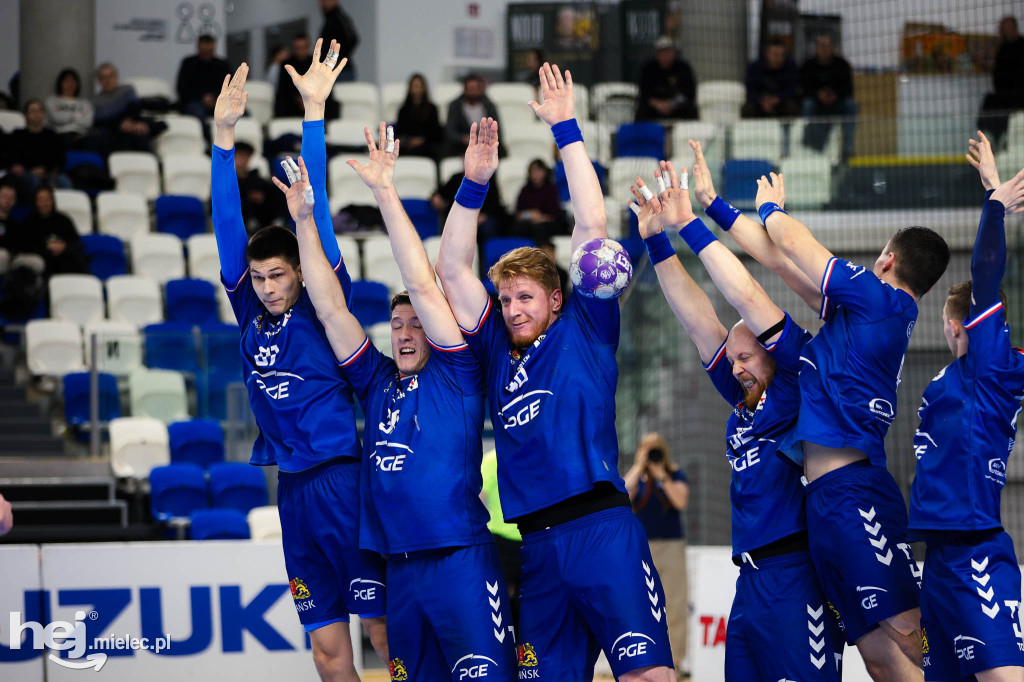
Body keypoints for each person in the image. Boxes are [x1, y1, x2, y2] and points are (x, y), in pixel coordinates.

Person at [435, 62, 675, 682]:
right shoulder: (492, 345)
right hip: (535, 548)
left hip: (601, 529)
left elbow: (591, 226)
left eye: (526, 298)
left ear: (555, 300)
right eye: (507, 299)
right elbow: (453, 270)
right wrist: (474, 182)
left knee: (648, 676)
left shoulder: (588, 327)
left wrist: (566, 128)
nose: (514, 309)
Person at [279, 121, 517, 682]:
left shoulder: (458, 367)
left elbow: (425, 280)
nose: (406, 333)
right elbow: (332, 308)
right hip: (401, 570)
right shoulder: (375, 379)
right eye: (397, 324)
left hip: (461, 557)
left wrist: (385, 193)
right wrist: (304, 223)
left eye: (415, 323)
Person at [630, 147, 844, 681]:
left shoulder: (796, 384)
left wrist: (693, 222)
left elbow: (745, 294)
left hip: (796, 573)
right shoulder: (747, 399)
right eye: (734, 359)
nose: (737, 366)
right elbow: (701, 320)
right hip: (748, 579)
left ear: (773, 353)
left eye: (747, 356)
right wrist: (657, 241)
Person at [210, 51, 387, 682]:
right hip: (293, 491)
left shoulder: (317, 298)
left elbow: (311, 212)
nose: (264, 286)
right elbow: (227, 225)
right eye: (256, 278)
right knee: (326, 650)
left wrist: (313, 111)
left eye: (276, 275)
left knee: (382, 628)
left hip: (344, 479)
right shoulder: (249, 306)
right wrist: (224, 138)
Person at [752, 169, 949, 679]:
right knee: (874, 648)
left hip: (853, 492)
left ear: (887, 260)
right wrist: (711, 209)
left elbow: (793, 241)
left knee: (908, 634)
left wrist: (771, 207)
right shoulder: (864, 315)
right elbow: (779, 260)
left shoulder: (879, 298)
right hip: (825, 498)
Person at [909, 131, 1024, 682]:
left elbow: (985, 274)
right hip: (937, 558)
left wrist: (994, 202)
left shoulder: (991, 362)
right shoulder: (946, 379)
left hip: (977, 549)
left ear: (955, 324)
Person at [624, 434, 692, 677]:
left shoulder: (674, 474)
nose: (651, 454)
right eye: (647, 450)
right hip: (642, 547)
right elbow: (622, 495)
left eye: (655, 450)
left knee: (674, 603)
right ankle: (645, 658)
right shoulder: (638, 477)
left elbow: (681, 501)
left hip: (671, 546)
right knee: (641, 603)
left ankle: (675, 660)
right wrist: (638, 466)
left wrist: (661, 475)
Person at [480, 448, 523, 632]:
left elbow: (479, 495)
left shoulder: (491, 459)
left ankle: (506, 636)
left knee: (503, 590)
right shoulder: (529, 453)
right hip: (528, 532)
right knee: (527, 590)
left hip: (501, 534)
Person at [800, 35, 857, 158]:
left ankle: (848, 148)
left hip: (837, 104)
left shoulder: (842, 64)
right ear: (816, 48)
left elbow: (848, 89)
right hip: (817, 105)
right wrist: (818, 95)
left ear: (832, 48)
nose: (824, 49)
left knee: (851, 104)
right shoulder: (808, 65)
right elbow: (803, 90)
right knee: (807, 104)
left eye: (827, 45)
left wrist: (834, 96)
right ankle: (807, 140)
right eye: (821, 45)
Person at [14, 185, 88, 276]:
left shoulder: (64, 220)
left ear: (53, 201)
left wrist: (64, 246)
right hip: (43, 261)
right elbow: (26, 248)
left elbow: (76, 242)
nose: (45, 203)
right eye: (41, 200)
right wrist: (48, 248)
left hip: (65, 258)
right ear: (35, 202)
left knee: (77, 259)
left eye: (48, 199)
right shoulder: (28, 223)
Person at [92, 63, 161, 153]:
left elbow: (136, 107)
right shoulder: (95, 100)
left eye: (110, 76)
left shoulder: (127, 90)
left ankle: (150, 164)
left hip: (133, 125)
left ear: (116, 77)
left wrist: (131, 122)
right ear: (99, 81)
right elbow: (99, 120)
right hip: (112, 132)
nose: (107, 80)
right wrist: (120, 124)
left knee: (142, 131)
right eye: (103, 77)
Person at [977, 16, 1024, 146]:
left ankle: (1004, 139)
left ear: (1013, 28)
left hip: (1017, 95)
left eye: (1005, 28)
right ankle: (995, 139)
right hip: (1002, 94)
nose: (1002, 31)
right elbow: (997, 66)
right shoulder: (1003, 46)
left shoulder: (1021, 45)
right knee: (988, 104)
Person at [6, 99, 66, 193]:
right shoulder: (17, 135)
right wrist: (31, 170)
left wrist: (45, 170)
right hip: (25, 173)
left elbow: (60, 158)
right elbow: (12, 157)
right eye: (33, 111)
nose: (37, 114)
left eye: (40, 111)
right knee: (34, 180)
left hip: (48, 173)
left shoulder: (52, 135)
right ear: (26, 115)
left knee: (64, 181)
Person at [636, 36, 698, 121]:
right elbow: (644, 93)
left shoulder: (683, 68)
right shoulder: (648, 69)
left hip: (677, 107)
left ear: (673, 52)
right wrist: (657, 104)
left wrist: (671, 103)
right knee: (642, 110)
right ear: (656, 54)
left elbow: (689, 92)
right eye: (661, 52)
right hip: (655, 108)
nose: (665, 54)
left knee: (691, 110)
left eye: (668, 51)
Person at [443, 74, 500, 157]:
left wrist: (484, 139)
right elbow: (450, 131)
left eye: (475, 88)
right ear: (464, 90)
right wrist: (463, 138)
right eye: (470, 89)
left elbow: (497, 129)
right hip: (461, 145)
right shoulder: (455, 106)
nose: (472, 92)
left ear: (480, 90)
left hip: (485, 144)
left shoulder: (489, 106)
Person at [176, 34, 230, 120]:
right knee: (199, 114)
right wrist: (202, 98)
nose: (207, 54)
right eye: (204, 51)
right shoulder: (189, 64)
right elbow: (182, 88)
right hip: (195, 101)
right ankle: (207, 133)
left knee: (242, 113)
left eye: (209, 51)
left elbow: (230, 87)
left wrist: (215, 97)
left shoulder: (222, 65)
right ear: (198, 48)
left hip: (219, 101)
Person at [233, 141, 284, 234]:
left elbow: (271, 199)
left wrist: (262, 198)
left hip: (260, 224)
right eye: (239, 155)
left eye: (245, 155)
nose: (242, 159)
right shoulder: (228, 182)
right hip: (237, 225)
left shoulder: (259, 182)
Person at [742, 39, 800, 118]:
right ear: (767, 54)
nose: (779, 58)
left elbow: (792, 89)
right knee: (748, 108)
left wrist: (778, 99)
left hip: (781, 102)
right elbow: (750, 90)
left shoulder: (791, 67)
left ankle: (787, 130)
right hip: (760, 102)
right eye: (775, 54)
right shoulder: (755, 67)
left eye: (782, 54)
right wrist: (761, 100)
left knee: (792, 107)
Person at [511, 158, 565, 243]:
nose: (535, 174)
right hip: (529, 223)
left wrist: (540, 218)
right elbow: (518, 214)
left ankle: (543, 253)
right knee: (517, 228)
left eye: (538, 170)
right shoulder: (525, 190)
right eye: (532, 171)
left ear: (545, 172)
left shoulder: (551, 189)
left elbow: (555, 214)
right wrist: (529, 215)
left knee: (539, 228)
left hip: (547, 223)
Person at [395, 74, 442, 159]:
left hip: (427, 146)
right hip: (407, 146)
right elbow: (400, 131)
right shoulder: (403, 110)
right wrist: (410, 141)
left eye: (419, 86)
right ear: (410, 89)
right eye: (414, 86)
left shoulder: (432, 109)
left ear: (424, 88)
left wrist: (422, 140)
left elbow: (436, 131)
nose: (417, 89)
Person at [45, 68, 94, 144]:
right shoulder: (52, 100)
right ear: (60, 83)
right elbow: (56, 118)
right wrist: (77, 116)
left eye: (73, 82)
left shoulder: (85, 103)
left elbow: (88, 122)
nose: (70, 85)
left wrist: (67, 118)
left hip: (81, 136)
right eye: (66, 81)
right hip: (59, 135)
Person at [319, 0, 360, 82]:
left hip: (341, 72)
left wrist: (338, 60)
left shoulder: (339, 18)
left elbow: (353, 39)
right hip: (332, 70)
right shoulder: (330, 19)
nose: (323, 3)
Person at [275, 34, 314, 118]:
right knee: (281, 101)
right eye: (299, 48)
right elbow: (283, 87)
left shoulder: (315, 63)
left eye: (304, 47)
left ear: (308, 47)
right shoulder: (286, 64)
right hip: (292, 101)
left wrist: (308, 98)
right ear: (294, 48)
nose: (302, 51)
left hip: (313, 98)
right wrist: (299, 99)